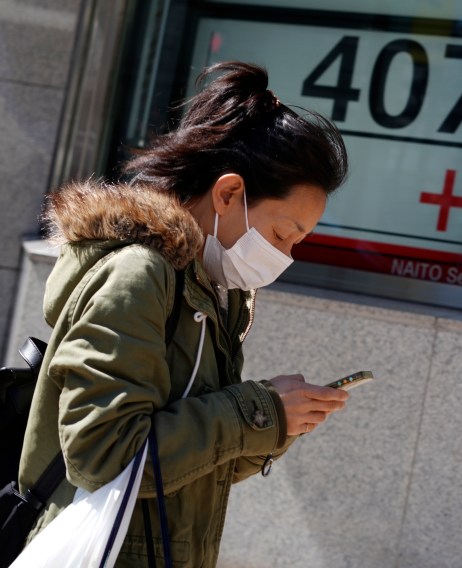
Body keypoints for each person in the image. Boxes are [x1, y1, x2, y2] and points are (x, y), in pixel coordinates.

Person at [16, 61, 350, 566]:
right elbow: (104, 456)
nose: (286, 255)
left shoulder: (215, 292)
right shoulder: (139, 275)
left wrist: (276, 421)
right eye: (284, 233)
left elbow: (191, 462)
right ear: (229, 193)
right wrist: (255, 410)